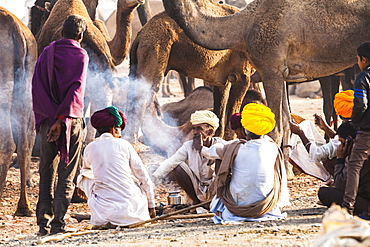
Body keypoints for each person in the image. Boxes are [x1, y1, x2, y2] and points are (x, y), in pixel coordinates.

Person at [32, 15, 89, 235]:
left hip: (48, 122)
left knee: (46, 172)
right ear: (80, 35)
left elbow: (36, 87)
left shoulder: (47, 53)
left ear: (61, 32)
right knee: (67, 175)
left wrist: (51, 118)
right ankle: (58, 225)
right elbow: (76, 89)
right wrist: (61, 119)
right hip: (71, 122)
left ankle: (42, 225)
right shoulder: (81, 55)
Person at [204, 103, 290, 223]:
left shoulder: (236, 147)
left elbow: (211, 152)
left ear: (244, 129)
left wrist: (200, 146)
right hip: (266, 206)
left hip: (237, 207)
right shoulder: (273, 147)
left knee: (224, 174)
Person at [77, 106, 156, 229]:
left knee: (84, 175)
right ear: (114, 129)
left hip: (102, 215)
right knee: (136, 179)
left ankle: (106, 217)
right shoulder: (125, 145)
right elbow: (143, 177)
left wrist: (80, 185)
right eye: (119, 129)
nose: (120, 134)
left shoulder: (90, 147)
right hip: (132, 213)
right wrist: (151, 206)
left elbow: (86, 171)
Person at [152, 110, 225, 207]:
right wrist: (154, 177)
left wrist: (201, 149)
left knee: (221, 161)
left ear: (210, 131)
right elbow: (171, 162)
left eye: (199, 128)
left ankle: (216, 202)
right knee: (178, 166)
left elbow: (220, 154)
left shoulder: (220, 144)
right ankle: (196, 203)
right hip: (196, 189)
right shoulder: (188, 146)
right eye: (194, 128)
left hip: (215, 189)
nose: (195, 132)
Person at [342, 41, 370, 215]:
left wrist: (354, 121)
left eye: (358, 60)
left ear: (363, 59)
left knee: (354, 166)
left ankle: (347, 207)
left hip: (367, 131)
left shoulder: (363, 76)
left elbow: (360, 105)